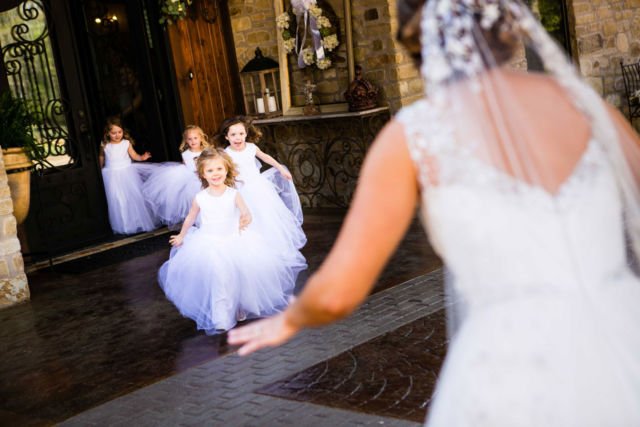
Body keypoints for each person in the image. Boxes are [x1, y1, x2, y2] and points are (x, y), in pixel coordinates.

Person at [230, 0, 640, 425]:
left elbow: (336, 293)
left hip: (513, 359)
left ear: (413, 39)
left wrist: (293, 318)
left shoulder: (417, 135)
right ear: (512, 27)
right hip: (624, 329)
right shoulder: (589, 109)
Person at [158, 148, 298, 334]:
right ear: (202, 174)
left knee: (239, 275)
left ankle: (239, 306)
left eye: (219, 169)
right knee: (219, 278)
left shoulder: (233, 194)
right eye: (210, 170)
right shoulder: (200, 197)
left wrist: (244, 219)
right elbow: (190, 218)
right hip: (211, 244)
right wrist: (182, 235)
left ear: (226, 170)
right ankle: (221, 316)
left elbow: (246, 212)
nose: (215, 174)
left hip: (234, 240)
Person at [216, 116, 307, 276]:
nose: (238, 138)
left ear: (246, 134)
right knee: (246, 220)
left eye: (241, 134)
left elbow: (265, 157)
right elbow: (223, 171)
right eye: (233, 135)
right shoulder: (226, 153)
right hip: (240, 190)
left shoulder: (251, 147)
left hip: (258, 187)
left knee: (266, 217)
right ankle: (251, 253)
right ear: (226, 137)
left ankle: (272, 248)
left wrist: (280, 168)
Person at [99, 116, 160, 235]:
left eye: (119, 132)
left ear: (123, 131)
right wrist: (100, 168)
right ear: (107, 133)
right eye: (113, 133)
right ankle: (124, 226)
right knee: (117, 199)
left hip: (127, 172)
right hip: (111, 174)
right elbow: (101, 156)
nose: (117, 135)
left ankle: (137, 222)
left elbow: (134, 156)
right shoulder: (105, 144)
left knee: (132, 198)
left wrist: (142, 157)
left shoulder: (126, 143)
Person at [143, 125, 210, 227]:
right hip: (192, 180)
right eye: (189, 139)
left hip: (206, 178)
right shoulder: (186, 154)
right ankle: (198, 221)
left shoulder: (206, 151)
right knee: (193, 201)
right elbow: (186, 165)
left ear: (201, 138)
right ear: (186, 141)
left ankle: (209, 218)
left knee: (207, 199)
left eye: (195, 138)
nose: (193, 141)